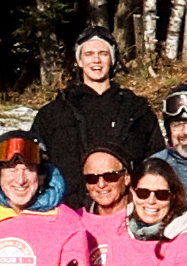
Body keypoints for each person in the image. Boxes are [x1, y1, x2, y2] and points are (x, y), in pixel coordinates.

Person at [27, 31, 156, 192]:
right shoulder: (54, 113)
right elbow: (33, 164)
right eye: (89, 54)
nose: (96, 60)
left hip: (125, 202)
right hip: (68, 202)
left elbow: (156, 164)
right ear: (79, 61)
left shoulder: (136, 110)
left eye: (103, 54)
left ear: (112, 60)